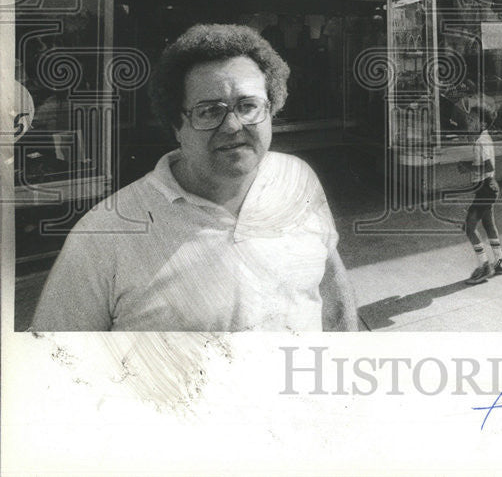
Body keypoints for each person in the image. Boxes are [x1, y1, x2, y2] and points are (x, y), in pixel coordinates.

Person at [32, 24, 358, 332]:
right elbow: (54, 366)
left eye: (248, 105)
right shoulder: (105, 234)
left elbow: (331, 288)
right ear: (177, 126)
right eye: (209, 110)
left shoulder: (297, 179)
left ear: (271, 110)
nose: (233, 125)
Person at [458, 102, 502, 284]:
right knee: (488, 224)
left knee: (469, 227)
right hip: (486, 189)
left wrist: (466, 167)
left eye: (472, 120)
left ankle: (484, 266)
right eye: (468, 119)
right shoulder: (483, 138)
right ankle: (500, 261)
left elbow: (488, 166)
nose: (468, 122)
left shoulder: (481, 141)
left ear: (483, 124)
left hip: (485, 188)